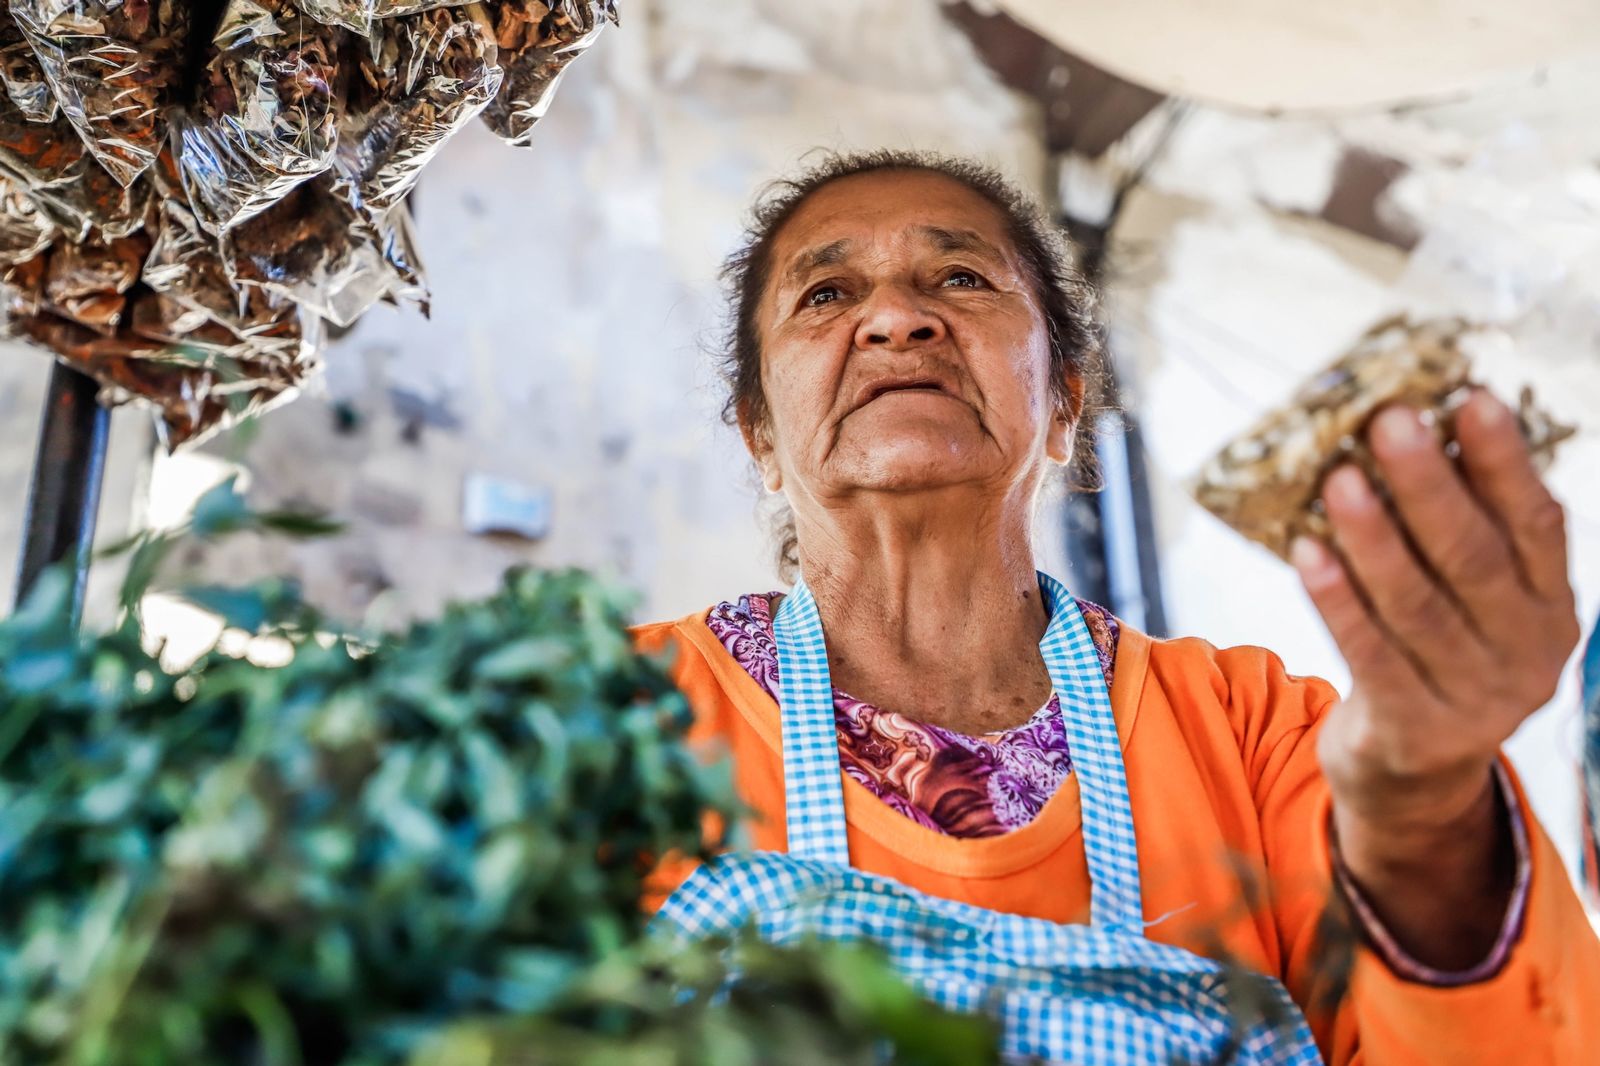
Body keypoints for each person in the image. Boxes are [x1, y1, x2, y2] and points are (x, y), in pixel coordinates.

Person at [634, 150, 1600, 1064]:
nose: (895, 321)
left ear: (1063, 404)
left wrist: (1425, 804)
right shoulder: (613, 718)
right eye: (827, 293)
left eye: (961, 280)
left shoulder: (1255, 732)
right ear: (760, 431)